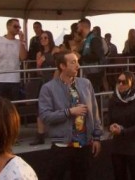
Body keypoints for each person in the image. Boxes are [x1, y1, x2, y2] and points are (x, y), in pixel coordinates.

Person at [38, 50, 103, 180]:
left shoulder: (86, 83)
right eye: (73, 62)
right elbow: (45, 116)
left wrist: (96, 137)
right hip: (62, 146)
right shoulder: (48, 88)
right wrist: (69, 112)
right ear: (62, 66)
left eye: (77, 62)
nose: (78, 65)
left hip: (84, 145)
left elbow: (94, 111)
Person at [107, 71, 135, 180]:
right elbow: (109, 121)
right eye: (118, 81)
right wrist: (111, 127)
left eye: (124, 82)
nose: (120, 84)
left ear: (131, 83)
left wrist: (122, 131)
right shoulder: (113, 100)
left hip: (134, 147)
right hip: (118, 147)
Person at [0, 19, 27, 100]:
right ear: (8, 27)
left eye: (19, 27)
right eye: (15, 26)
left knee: (13, 105)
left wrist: (22, 41)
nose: (18, 29)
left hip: (14, 80)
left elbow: (23, 57)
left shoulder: (19, 43)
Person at [31, 30, 58, 145]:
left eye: (45, 38)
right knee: (40, 107)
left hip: (55, 81)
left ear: (50, 38)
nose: (43, 40)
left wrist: (54, 81)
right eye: (41, 38)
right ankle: (40, 134)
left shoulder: (56, 50)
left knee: (57, 106)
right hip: (44, 81)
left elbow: (59, 66)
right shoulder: (39, 54)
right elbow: (38, 71)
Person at [77, 19, 105, 92]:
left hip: (94, 73)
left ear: (83, 27)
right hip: (87, 72)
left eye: (78, 27)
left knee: (94, 93)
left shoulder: (94, 39)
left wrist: (81, 57)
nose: (77, 29)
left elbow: (97, 55)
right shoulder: (86, 40)